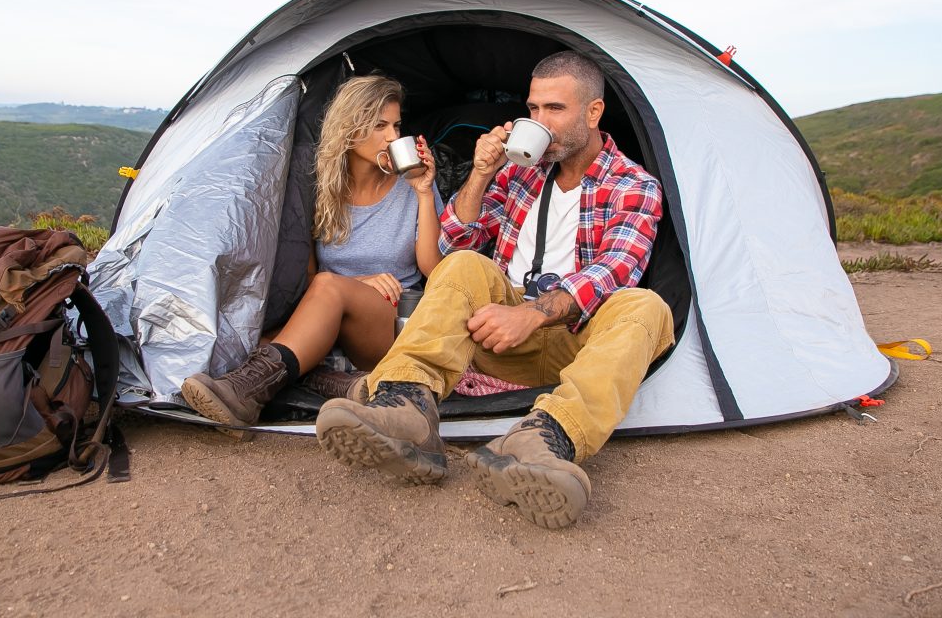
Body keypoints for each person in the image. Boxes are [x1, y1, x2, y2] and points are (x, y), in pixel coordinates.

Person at [314, 51, 674, 529]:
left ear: (593, 113)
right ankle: (407, 408)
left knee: (647, 307)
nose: (538, 122)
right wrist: (481, 173)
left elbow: (614, 271)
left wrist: (533, 314)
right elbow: (452, 240)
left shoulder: (634, 185)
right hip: (498, 340)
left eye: (555, 109)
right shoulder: (520, 170)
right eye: (534, 109)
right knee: (464, 264)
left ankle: (544, 440)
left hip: (579, 343)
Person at [181, 74, 443, 435]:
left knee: (327, 289)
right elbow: (305, 278)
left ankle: (243, 393)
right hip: (329, 313)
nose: (393, 137)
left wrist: (426, 193)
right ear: (349, 130)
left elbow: (434, 268)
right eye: (379, 125)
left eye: (396, 125)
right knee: (254, 341)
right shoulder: (318, 189)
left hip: (390, 320)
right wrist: (355, 282)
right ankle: (339, 383)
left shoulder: (412, 187)